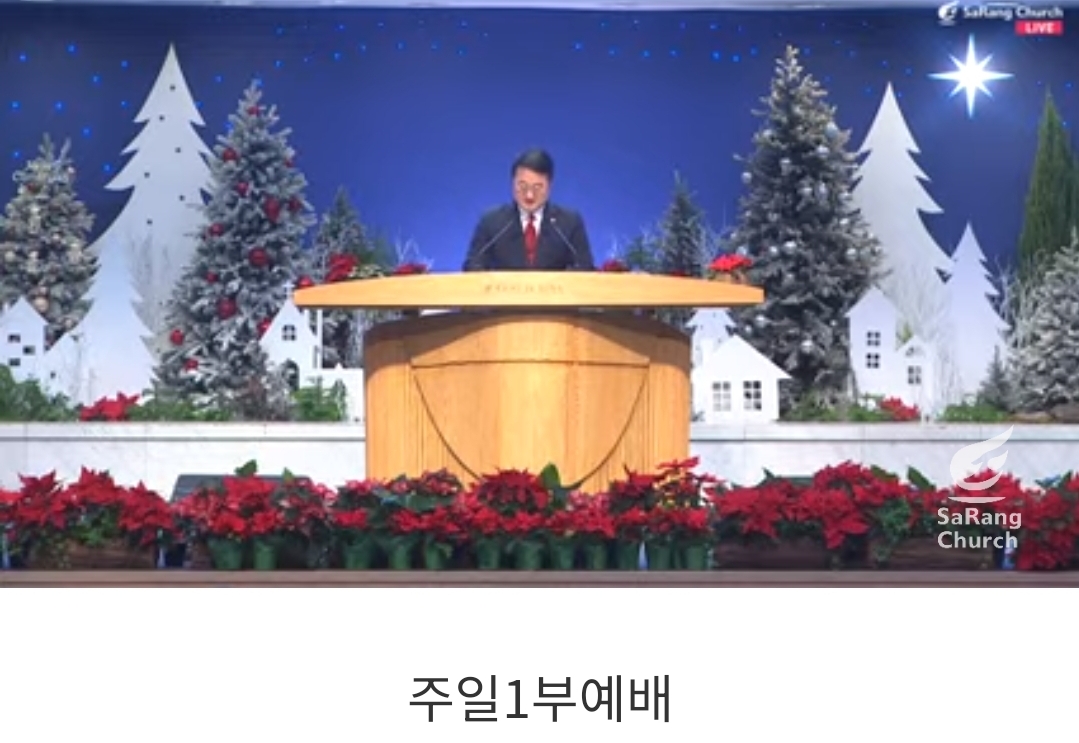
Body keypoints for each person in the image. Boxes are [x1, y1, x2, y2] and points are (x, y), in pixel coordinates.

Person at [462, 149, 595, 271]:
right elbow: (472, 267)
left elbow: (585, 268)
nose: (529, 195)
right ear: (513, 183)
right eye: (523, 186)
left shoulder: (570, 223)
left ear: (549, 186)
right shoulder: (491, 221)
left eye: (537, 187)